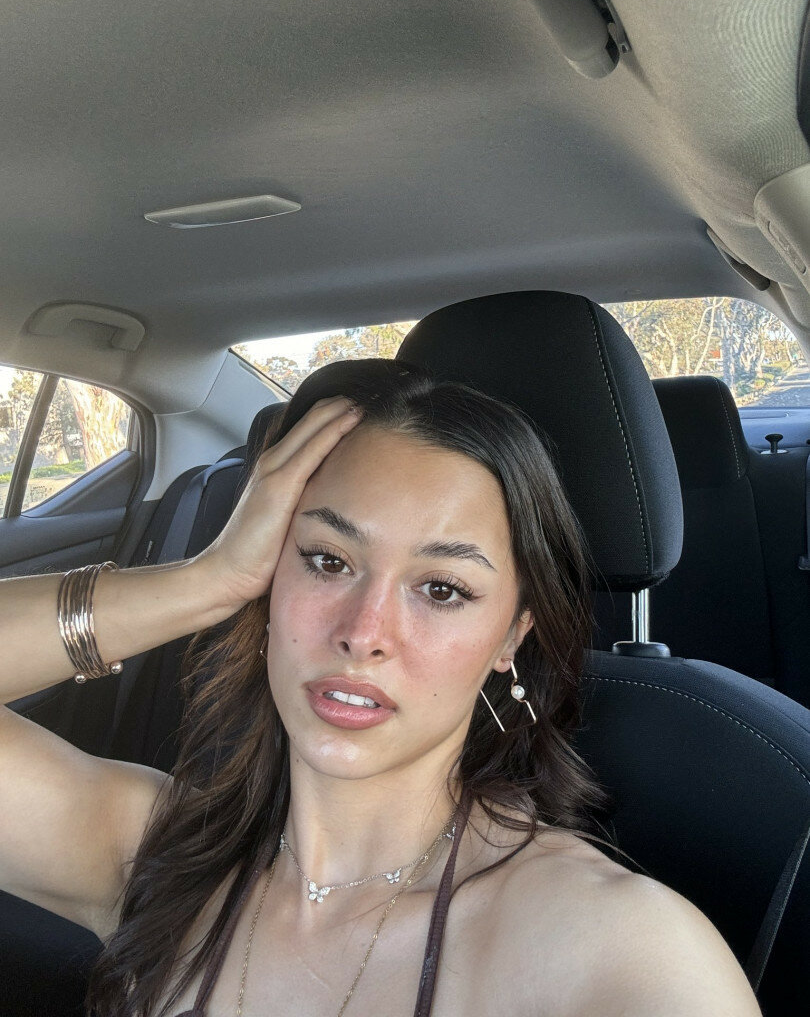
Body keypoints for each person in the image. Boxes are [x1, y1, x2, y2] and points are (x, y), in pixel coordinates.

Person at [0, 359, 760, 1017]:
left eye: (442, 589)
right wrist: (203, 582)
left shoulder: (616, 949)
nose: (364, 632)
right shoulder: (153, 857)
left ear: (511, 635)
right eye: (328, 561)